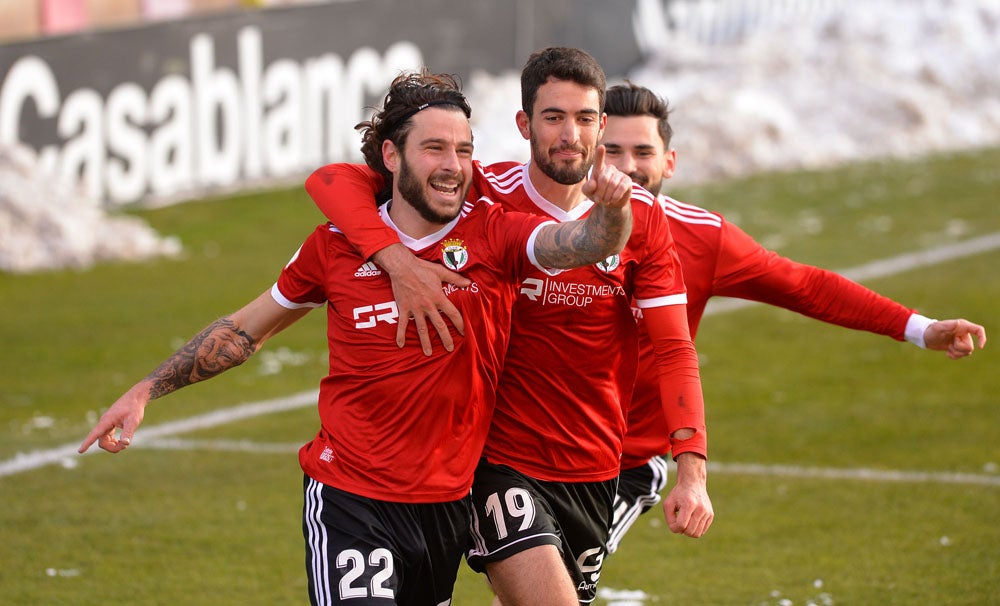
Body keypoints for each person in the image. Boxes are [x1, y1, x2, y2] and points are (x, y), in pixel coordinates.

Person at [78, 70, 637, 605]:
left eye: (465, 151)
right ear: (391, 155)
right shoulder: (334, 246)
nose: (453, 167)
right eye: (434, 149)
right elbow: (248, 328)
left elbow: (582, 243)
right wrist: (146, 389)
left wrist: (613, 212)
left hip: (444, 505)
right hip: (350, 496)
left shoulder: (496, 233)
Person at [305, 48, 713, 605]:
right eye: (553, 117)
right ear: (524, 125)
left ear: (600, 126)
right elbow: (332, 181)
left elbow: (674, 350)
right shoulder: (481, 195)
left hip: (592, 463)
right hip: (498, 463)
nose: (570, 135)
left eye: (586, 119)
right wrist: (395, 261)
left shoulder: (643, 221)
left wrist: (692, 471)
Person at [598, 81, 988, 554]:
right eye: (612, 150)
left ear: (669, 162)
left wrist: (919, 328)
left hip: (624, 461)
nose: (628, 167)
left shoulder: (703, 239)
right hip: (533, 440)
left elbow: (806, 287)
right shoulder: (547, 226)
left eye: (643, 151)